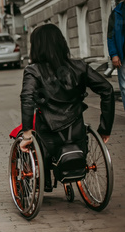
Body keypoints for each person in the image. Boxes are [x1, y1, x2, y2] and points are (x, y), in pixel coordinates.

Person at [19, 24, 114, 192]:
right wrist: (105, 128)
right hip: (76, 131)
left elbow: (27, 99)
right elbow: (107, 89)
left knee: (26, 136)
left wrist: (27, 134)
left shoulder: (33, 71)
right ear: (61, 43)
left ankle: (45, 179)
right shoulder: (79, 66)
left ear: (37, 46)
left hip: (48, 134)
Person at [107, 0, 125, 110]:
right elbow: (110, 36)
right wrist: (114, 54)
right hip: (122, 56)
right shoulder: (116, 13)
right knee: (124, 86)